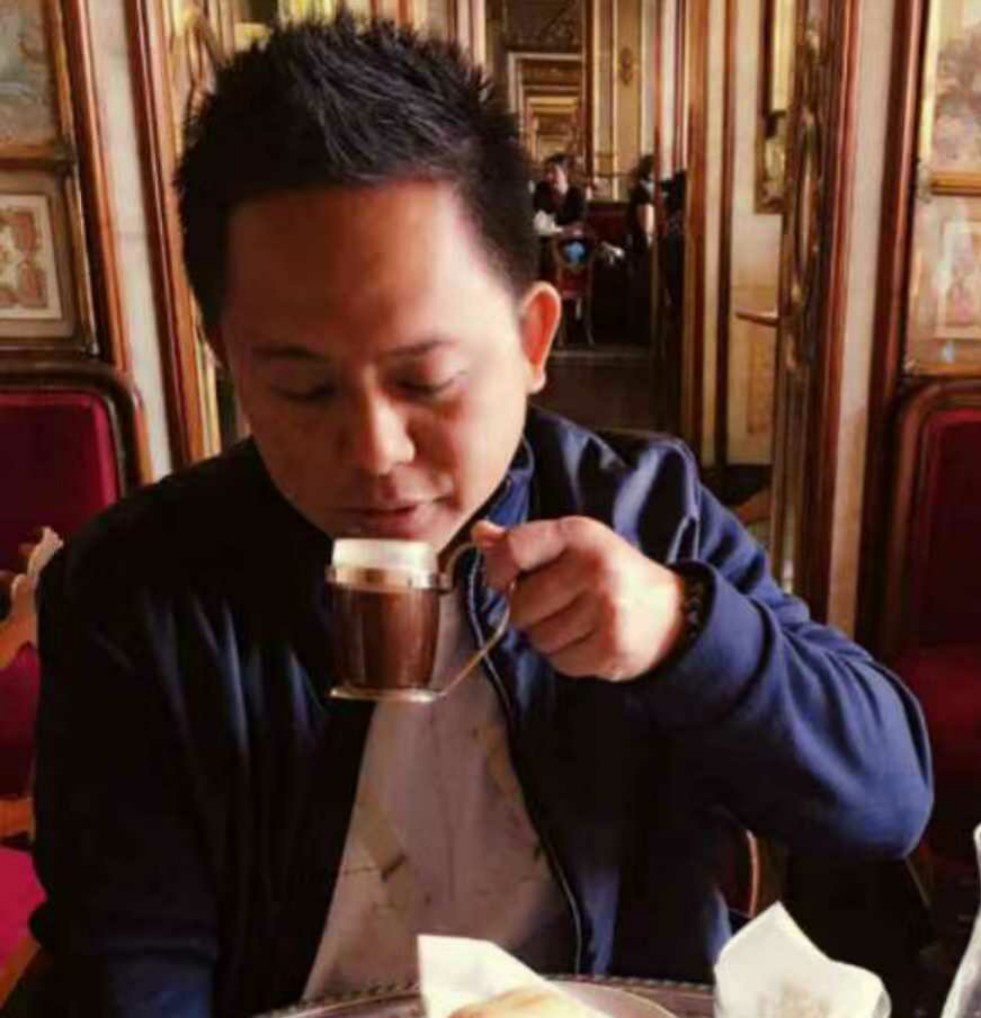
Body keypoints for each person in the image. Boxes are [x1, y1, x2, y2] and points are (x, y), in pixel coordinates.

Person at [28, 16, 931, 1018]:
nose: (375, 449)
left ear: (533, 337)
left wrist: (684, 634)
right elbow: (132, 962)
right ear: (226, 359)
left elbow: (882, 806)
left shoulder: (645, 514)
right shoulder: (136, 591)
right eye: (302, 389)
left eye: (427, 379)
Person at [625, 154, 657, 343]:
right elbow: (647, 226)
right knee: (643, 291)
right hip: (641, 247)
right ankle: (641, 335)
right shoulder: (644, 192)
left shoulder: (641, 189)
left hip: (636, 245)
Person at [532, 153, 587, 230]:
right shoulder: (541, 190)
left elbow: (579, 225)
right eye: (546, 171)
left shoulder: (576, 194)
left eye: (554, 171)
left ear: (566, 173)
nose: (548, 176)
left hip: (569, 236)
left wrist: (558, 231)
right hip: (544, 236)